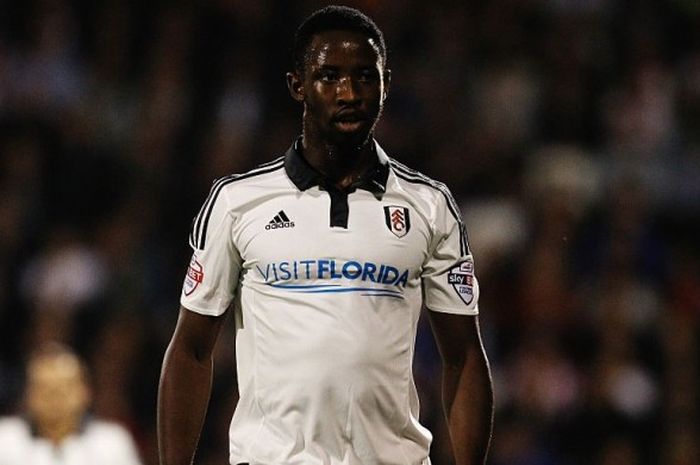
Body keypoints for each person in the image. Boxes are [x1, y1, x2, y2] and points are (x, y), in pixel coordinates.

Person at [158, 5, 493, 465]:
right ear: (298, 85)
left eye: (364, 77)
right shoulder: (238, 202)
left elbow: (465, 357)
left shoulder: (429, 206)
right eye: (330, 76)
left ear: (386, 84)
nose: (349, 93)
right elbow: (191, 350)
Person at [0, 344, 143, 465]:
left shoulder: (112, 443)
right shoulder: (5, 439)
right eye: (45, 389)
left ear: (85, 392)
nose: (55, 399)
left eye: (64, 389)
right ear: (28, 394)